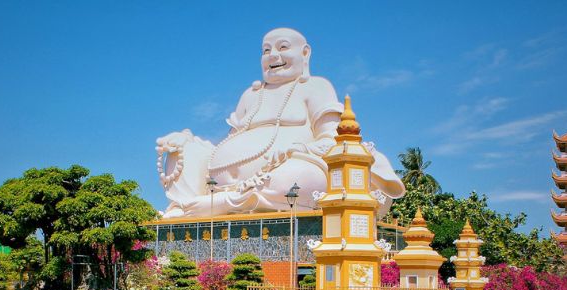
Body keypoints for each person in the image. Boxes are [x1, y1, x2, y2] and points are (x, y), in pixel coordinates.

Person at [156, 28, 404, 218]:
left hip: (287, 170)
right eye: (266, 50)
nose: (273, 56)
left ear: (305, 53)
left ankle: (218, 205)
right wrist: (187, 141)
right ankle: (186, 206)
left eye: (282, 47)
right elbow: (228, 142)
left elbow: (331, 140)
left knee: (300, 179)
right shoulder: (250, 94)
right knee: (184, 149)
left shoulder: (316, 87)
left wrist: (300, 150)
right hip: (231, 182)